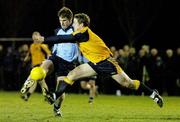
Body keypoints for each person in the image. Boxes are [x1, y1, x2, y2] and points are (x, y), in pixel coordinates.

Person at [38, 13, 163, 109]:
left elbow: (62, 38)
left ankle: (153, 93)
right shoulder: (80, 33)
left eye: (75, 23)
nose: (73, 25)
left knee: (128, 83)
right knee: (72, 75)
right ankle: (55, 96)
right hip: (95, 64)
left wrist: (44, 39)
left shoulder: (83, 32)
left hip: (107, 63)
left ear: (82, 24)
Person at [20, 7, 79, 117]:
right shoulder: (57, 31)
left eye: (65, 20)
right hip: (56, 57)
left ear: (70, 20)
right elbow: (56, 44)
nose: (62, 23)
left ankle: (56, 108)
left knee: (60, 92)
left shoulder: (76, 31)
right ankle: (29, 82)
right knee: (42, 68)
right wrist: (50, 55)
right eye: (60, 20)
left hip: (68, 63)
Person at [20, 31, 51, 100]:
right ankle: (47, 96)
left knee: (33, 80)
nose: (35, 39)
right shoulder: (31, 46)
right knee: (41, 82)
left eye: (36, 37)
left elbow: (49, 54)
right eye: (34, 37)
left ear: (39, 37)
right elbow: (29, 55)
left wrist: (47, 62)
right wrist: (24, 60)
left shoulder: (42, 46)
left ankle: (27, 95)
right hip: (35, 66)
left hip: (41, 66)